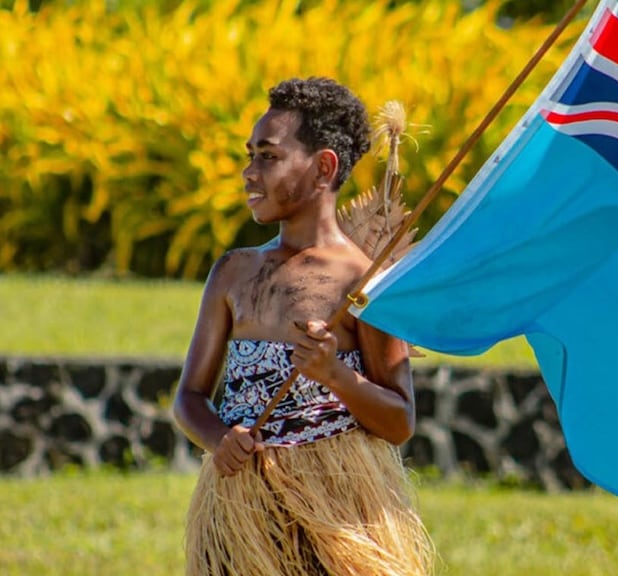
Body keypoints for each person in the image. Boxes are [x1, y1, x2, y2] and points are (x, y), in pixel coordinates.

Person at [173, 77, 433, 576]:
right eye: (249, 155)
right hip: (241, 512)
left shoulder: (362, 281)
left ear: (323, 167)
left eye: (268, 156)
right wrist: (218, 438)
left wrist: (335, 374)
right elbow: (190, 396)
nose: (250, 172)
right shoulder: (233, 272)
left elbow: (399, 421)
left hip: (334, 514)